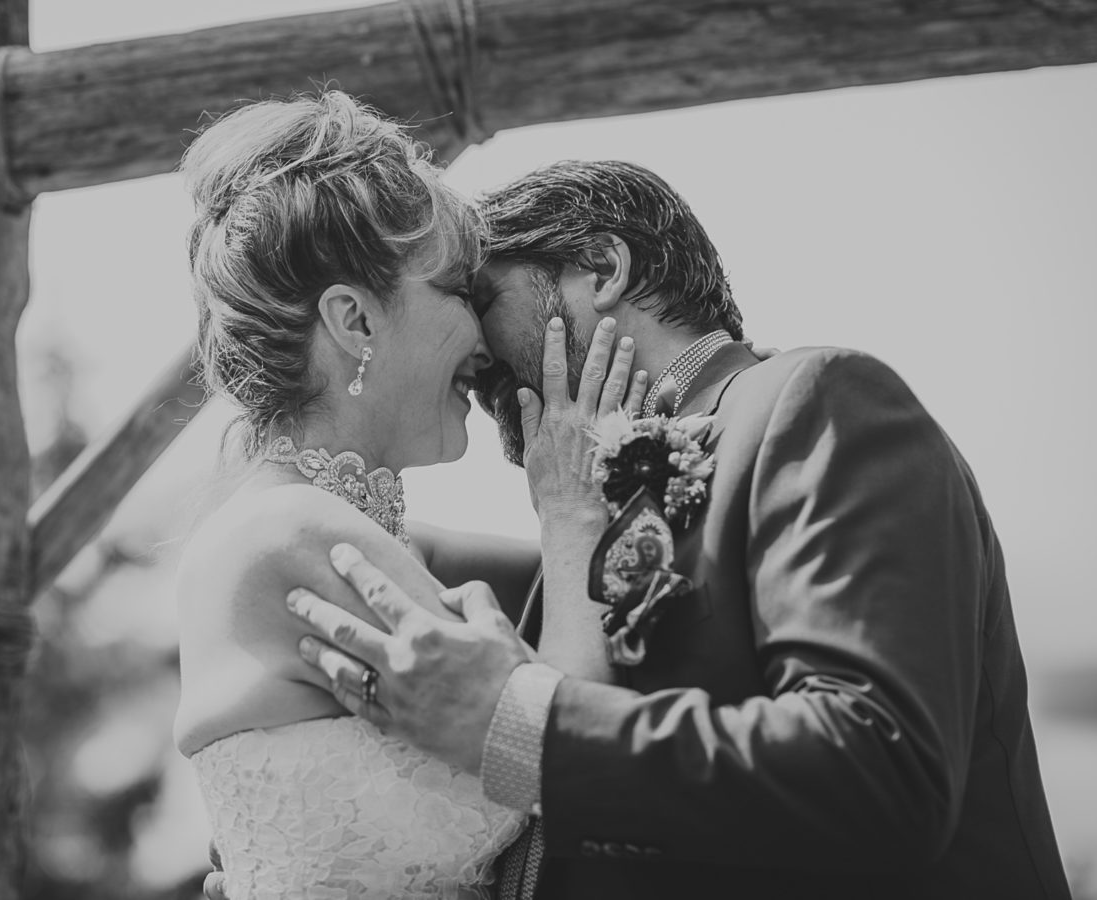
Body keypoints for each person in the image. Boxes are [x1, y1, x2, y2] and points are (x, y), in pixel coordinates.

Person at [283, 160, 1073, 898]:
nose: (476, 348)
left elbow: (877, 772)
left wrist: (523, 725)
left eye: (484, 298)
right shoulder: (579, 519)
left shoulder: (813, 400)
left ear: (602, 268)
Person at [173, 94, 643, 899]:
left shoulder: (283, 526)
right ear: (355, 318)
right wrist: (571, 516)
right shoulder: (295, 533)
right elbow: (568, 748)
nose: (488, 341)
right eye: (459, 290)